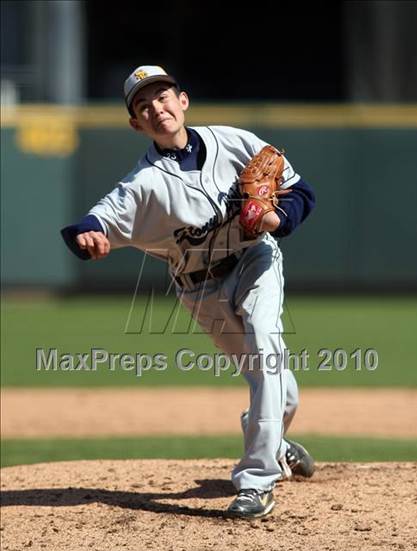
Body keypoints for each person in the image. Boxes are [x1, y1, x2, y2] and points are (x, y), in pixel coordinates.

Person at [61, 65, 316, 519]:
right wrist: (87, 237)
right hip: (201, 291)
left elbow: (299, 191)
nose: (155, 108)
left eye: (162, 97)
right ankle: (273, 438)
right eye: (143, 105)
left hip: (256, 260)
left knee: (265, 357)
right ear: (136, 124)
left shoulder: (235, 142)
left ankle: (256, 481)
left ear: (182, 101)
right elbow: (94, 221)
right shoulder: (145, 185)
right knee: (280, 390)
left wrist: (278, 219)